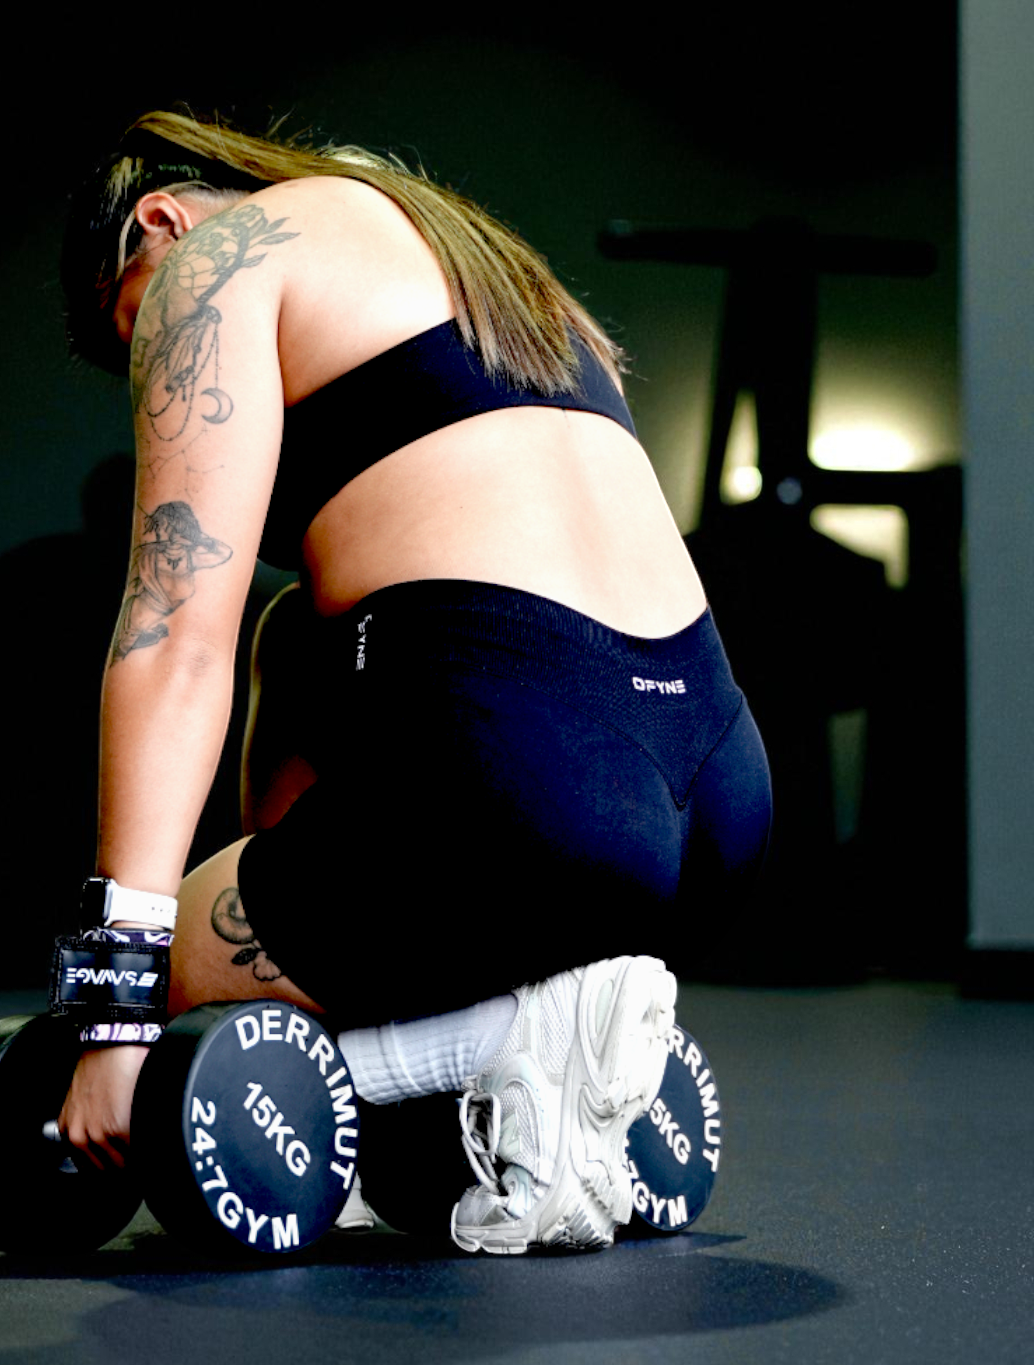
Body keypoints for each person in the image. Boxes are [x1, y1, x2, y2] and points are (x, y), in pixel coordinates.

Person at [53, 110, 772, 1253]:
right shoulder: (485, 263)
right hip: (716, 798)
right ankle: (536, 1041)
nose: (149, 360)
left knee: (184, 969)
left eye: (131, 328)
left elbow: (176, 636)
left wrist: (114, 1011)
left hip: (526, 790)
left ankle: (497, 1045)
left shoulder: (214, 260)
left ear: (159, 222)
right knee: (297, 634)